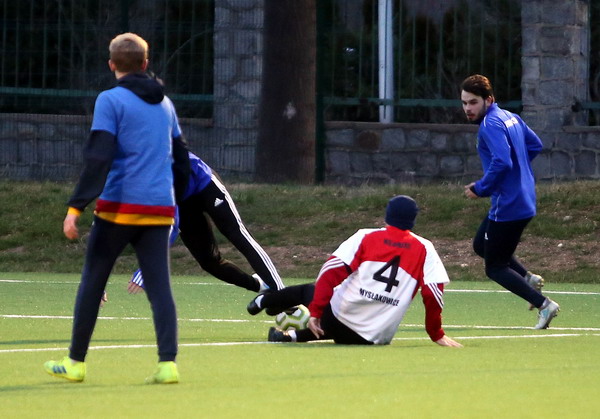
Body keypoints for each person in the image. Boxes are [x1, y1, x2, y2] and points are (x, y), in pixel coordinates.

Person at [44, 33, 189, 384]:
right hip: (160, 209)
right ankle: (167, 364)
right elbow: (182, 159)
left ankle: (76, 362)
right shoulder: (166, 104)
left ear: (111, 64)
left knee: (93, 281)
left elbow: (99, 156)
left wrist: (76, 207)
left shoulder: (109, 100)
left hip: (119, 209)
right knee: (160, 287)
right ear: (145, 63)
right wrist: (174, 200)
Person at [247, 195, 462, 347]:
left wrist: (316, 312)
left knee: (308, 291)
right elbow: (433, 294)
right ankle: (290, 337)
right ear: (413, 220)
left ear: (387, 216)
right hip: (373, 338)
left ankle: (264, 301)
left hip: (336, 320)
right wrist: (436, 333)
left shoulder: (366, 236)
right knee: (349, 329)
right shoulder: (426, 249)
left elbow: (329, 274)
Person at [460, 74, 559, 329]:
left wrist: (481, 188)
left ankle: (544, 305)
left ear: (488, 99)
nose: (468, 108)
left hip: (508, 205)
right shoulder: (509, 117)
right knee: (481, 245)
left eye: (473, 102)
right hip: (524, 199)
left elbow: (502, 162)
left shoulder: (490, 124)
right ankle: (528, 278)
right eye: (464, 103)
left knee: (495, 267)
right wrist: (519, 173)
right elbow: (535, 145)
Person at [126, 151, 285, 295]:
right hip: (183, 202)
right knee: (209, 261)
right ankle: (260, 286)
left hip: (204, 184)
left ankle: (281, 294)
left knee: (237, 234)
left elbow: (170, 228)